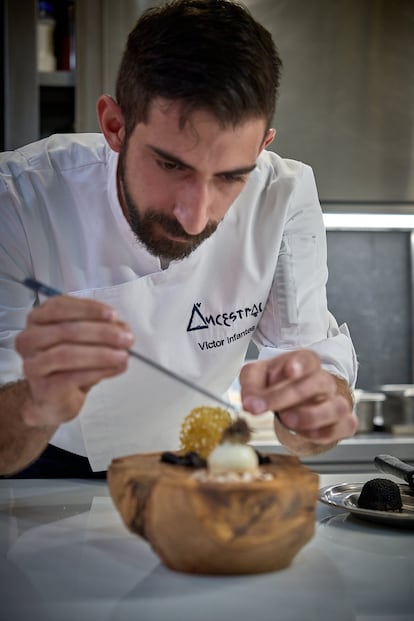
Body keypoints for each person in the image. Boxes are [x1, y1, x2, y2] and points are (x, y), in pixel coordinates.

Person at [0, 0, 358, 478]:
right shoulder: (18, 197)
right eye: (171, 165)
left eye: (232, 176)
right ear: (115, 126)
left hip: (196, 468)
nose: (195, 219)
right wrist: (37, 401)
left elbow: (309, 378)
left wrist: (315, 414)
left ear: (262, 147)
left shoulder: (283, 196)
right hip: (40, 471)